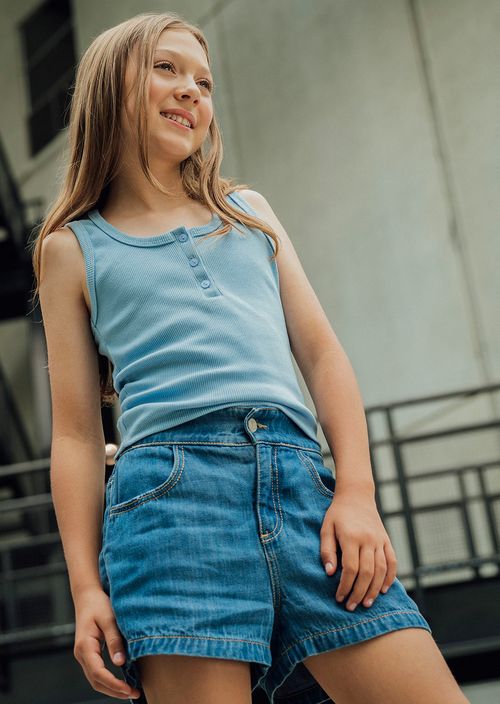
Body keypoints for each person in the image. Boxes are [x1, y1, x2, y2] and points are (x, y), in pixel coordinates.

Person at [32, 11, 470, 704]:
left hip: (303, 492)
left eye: (204, 81)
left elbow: (323, 357)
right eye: (166, 68)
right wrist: (86, 589)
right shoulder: (70, 249)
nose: (191, 91)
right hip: (170, 512)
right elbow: (79, 435)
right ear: (107, 88)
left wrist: (356, 491)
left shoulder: (248, 212)